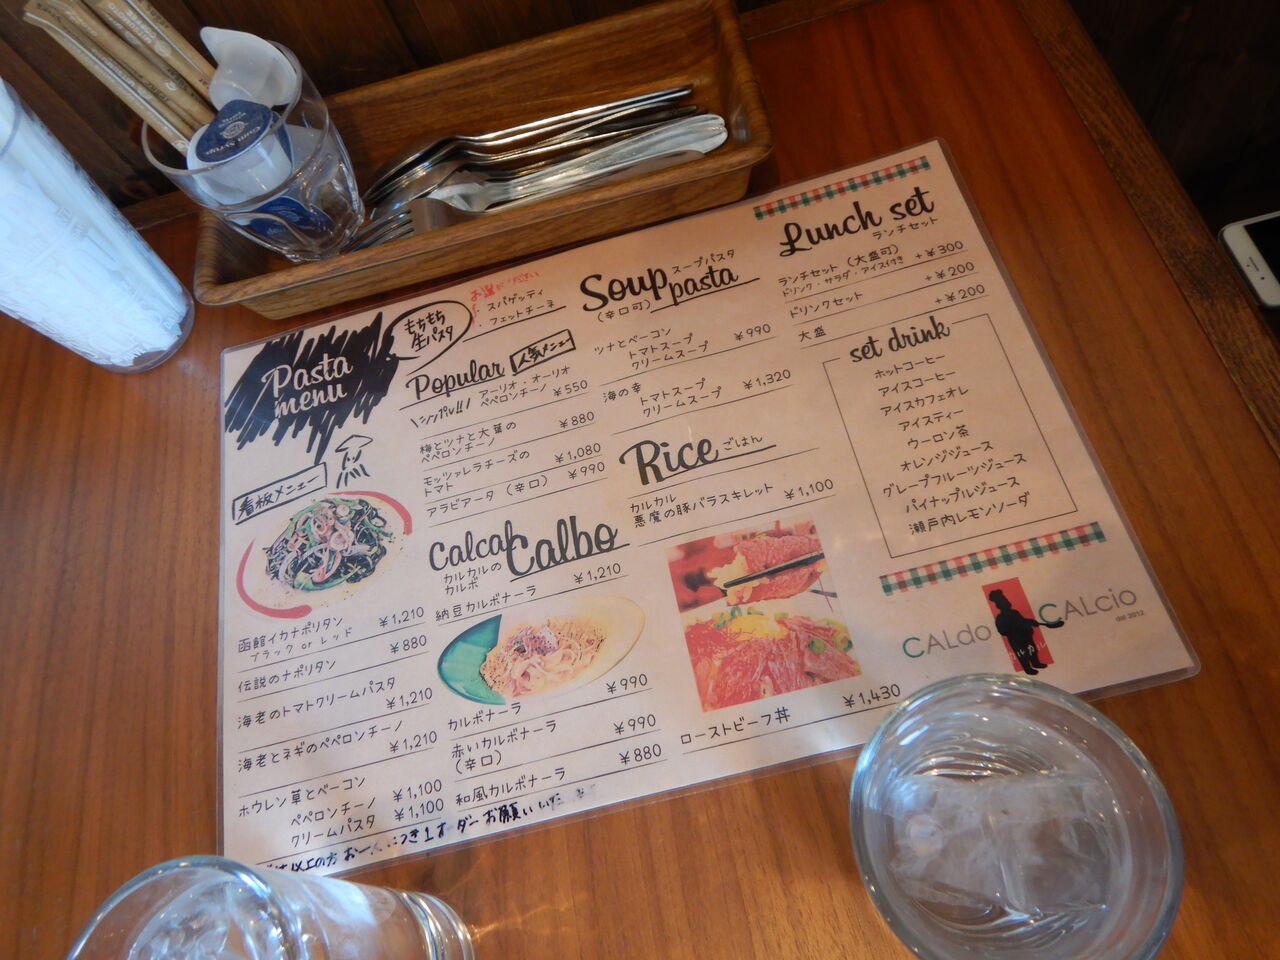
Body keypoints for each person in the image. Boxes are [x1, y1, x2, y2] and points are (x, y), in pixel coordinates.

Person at [988, 588, 1049, 674]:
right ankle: (1027, 669)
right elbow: (1002, 631)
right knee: (1022, 654)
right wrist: (1015, 627)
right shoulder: (1000, 618)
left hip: (1025, 635)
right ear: (999, 605)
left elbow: (1022, 620)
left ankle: (1036, 663)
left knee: (1032, 650)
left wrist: (1030, 622)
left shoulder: (1015, 612)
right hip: (1015, 639)